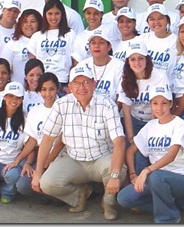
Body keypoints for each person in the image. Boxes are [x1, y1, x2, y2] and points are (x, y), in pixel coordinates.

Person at [31, 64, 127, 220]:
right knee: (46, 183)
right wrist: (38, 171)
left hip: (101, 158)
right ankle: (79, 196)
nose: (81, 87)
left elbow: (119, 141)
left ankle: (108, 203)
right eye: (76, 83)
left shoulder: (107, 104)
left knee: (118, 170)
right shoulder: (62, 104)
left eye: (86, 82)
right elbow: (48, 138)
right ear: (69, 87)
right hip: (74, 159)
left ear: (94, 83)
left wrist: (115, 175)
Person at [117, 85, 184, 223]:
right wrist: (132, 174)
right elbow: (130, 151)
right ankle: (168, 206)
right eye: (155, 103)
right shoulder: (151, 126)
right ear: (150, 105)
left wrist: (146, 171)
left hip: (180, 178)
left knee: (156, 176)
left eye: (164, 103)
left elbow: (171, 155)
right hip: (155, 178)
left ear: (171, 104)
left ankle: (168, 218)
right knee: (124, 198)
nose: (159, 108)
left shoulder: (179, 124)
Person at [117, 40, 170, 172]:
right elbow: (126, 110)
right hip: (134, 121)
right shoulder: (125, 79)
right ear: (128, 62)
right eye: (133, 59)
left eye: (141, 58)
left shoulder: (159, 76)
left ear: (147, 60)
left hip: (155, 120)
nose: (137, 63)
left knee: (143, 154)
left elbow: (159, 106)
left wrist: (148, 133)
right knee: (130, 150)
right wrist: (130, 137)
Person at [17, 73, 65, 200]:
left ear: (58, 89)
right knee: (22, 186)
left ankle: (64, 195)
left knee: (45, 182)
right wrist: (18, 160)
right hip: (41, 158)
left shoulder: (64, 108)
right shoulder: (35, 111)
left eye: (51, 89)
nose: (48, 94)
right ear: (39, 91)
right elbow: (33, 140)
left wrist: (45, 164)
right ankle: (53, 197)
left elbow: (61, 142)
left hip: (60, 158)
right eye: (44, 89)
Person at [27, 0, 75, 94]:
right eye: (50, 13)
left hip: (62, 83)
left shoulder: (70, 34)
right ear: (45, 15)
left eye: (57, 13)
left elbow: (75, 63)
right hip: (41, 83)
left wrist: (72, 84)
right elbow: (32, 64)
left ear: (62, 14)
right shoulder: (37, 36)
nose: (53, 17)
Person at [77, 28, 124, 103]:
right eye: (93, 43)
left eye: (101, 43)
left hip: (113, 111)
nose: (96, 46)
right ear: (89, 47)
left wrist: (112, 113)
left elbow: (121, 97)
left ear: (109, 47)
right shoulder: (82, 65)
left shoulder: (119, 66)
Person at [0, 9, 43, 87]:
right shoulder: (13, 44)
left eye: (33, 21)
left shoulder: (45, 41)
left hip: (42, 90)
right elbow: (3, 68)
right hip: (17, 91)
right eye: (25, 21)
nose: (29, 24)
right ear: (20, 24)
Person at [71, 0, 120, 64]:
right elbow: (77, 61)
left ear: (102, 14)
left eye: (96, 13)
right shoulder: (80, 37)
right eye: (88, 13)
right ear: (84, 14)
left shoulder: (112, 27)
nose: (92, 16)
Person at [139, 3, 178, 77]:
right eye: (152, 19)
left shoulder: (177, 41)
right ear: (148, 22)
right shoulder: (142, 39)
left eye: (160, 18)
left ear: (167, 20)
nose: (156, 22)